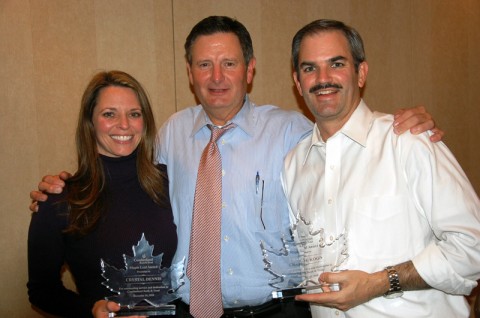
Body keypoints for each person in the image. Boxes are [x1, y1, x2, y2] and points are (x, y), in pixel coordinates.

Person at [30, 17, 441, 318]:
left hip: (277, 312)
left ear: (250, 68)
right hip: (187, 311)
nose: (217, 76)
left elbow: (352, 150)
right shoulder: (171, 133)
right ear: (190, 73)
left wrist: (399, 128)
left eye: (229, 63)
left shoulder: (291, 131)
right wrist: (62, 187)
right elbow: (120, 179)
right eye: (204, 65)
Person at [281, 19, 480, 318]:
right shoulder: (293, 165)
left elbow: (472, 246)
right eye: (310, 68)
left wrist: (379, 283)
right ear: (298, 83)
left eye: (336, 63)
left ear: (361, 73)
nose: (323, 78)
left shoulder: (407, 141)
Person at [27, 70, 177, 318]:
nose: (124, 125)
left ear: (145, 121)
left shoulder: (173, 184)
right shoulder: (58, 200)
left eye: (134, 114)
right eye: (109, 114)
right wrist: (91, 310)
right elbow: (42, 291)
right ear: (90, 122)